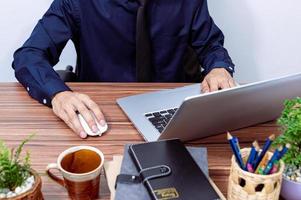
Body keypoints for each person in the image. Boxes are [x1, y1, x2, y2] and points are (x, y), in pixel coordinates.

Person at [12, 0, 236, 139]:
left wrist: (219, 68)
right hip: (101, 117)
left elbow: (210, 45)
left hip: (172, 115)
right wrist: (57, 94)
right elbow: (29, 54)